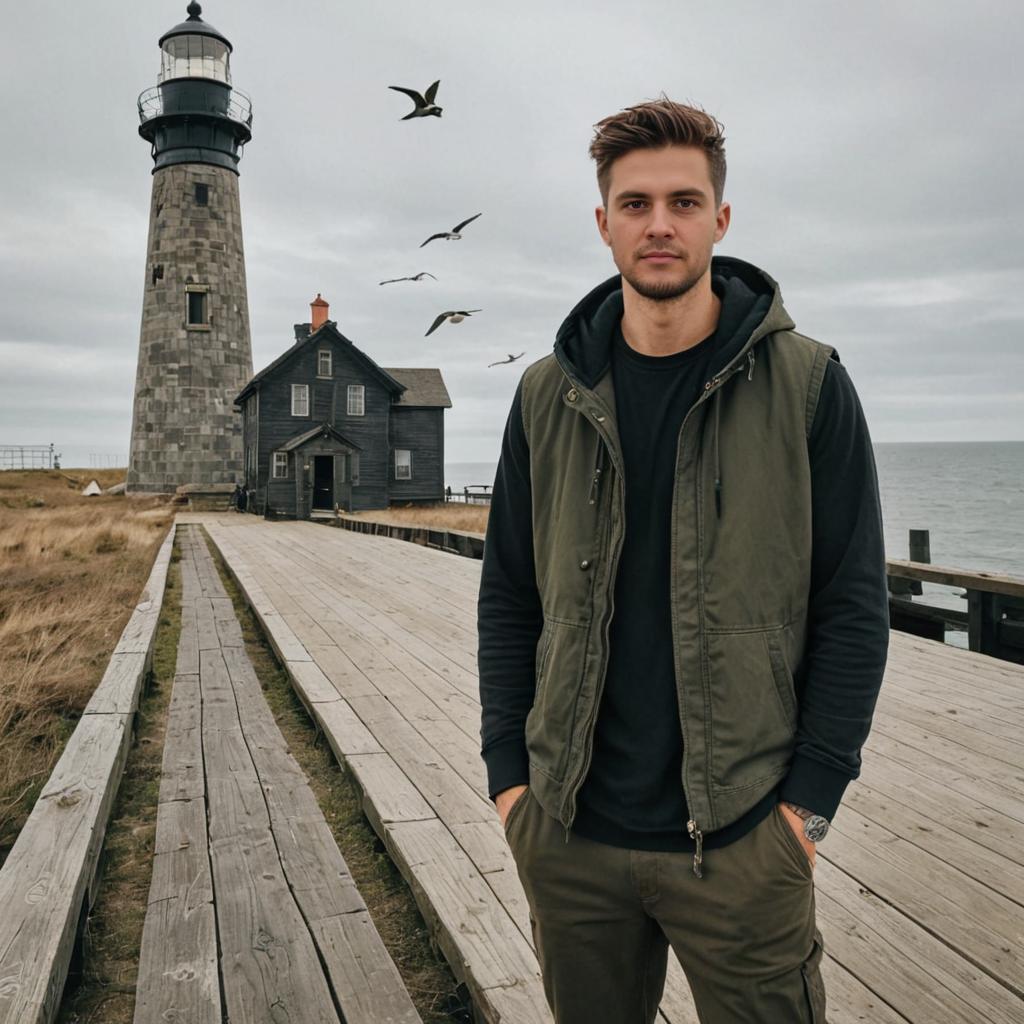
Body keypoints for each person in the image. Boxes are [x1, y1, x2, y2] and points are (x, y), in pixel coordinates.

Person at [477, 97, 889, 1023]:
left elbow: (854, 608)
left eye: (684, 201)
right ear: (603, 222)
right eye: (635, 204)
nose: (659, 224)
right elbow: (508, 593)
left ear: (721, 218)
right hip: (570, 836)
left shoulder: (811, 384)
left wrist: (806, 810)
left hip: (745, 840)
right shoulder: (548, 395)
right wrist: (511, 781)